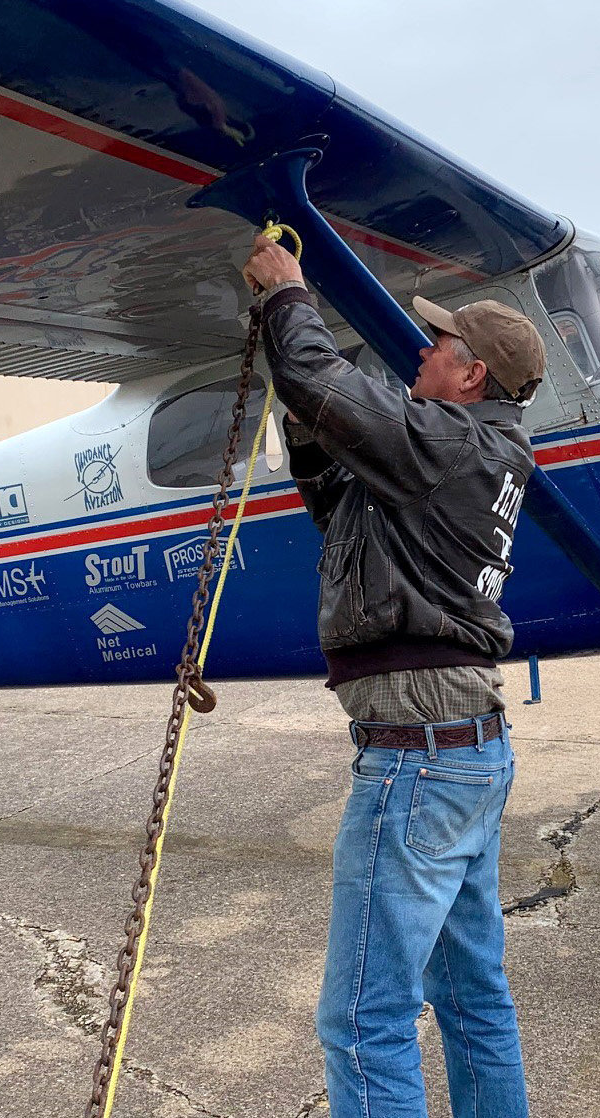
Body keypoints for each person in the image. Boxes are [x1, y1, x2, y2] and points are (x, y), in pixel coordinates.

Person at [242, 232, 545, 1118]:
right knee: (470, 996)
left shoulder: (446, 445)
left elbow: (317, 378)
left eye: (439, 347)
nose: (421, 351)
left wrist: (285, 294)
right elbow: (343, 505)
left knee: (363, 1019)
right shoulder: (470, 456)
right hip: (467, 751)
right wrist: (310, 430)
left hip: (417, 756)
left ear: (471, 378)